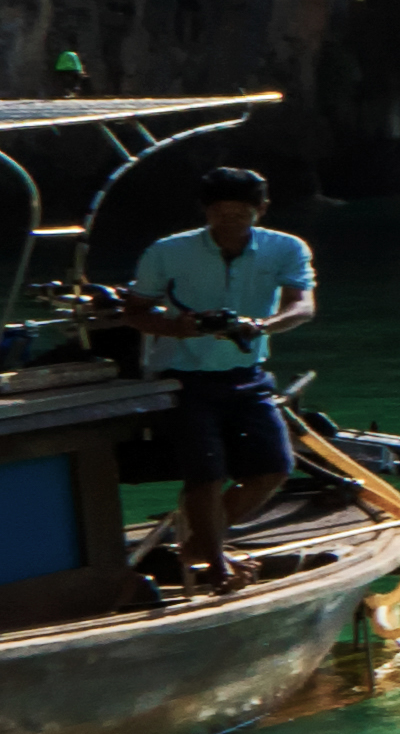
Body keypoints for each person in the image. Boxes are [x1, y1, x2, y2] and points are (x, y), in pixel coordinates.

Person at [119, 163, 318, 590]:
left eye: (240, 213)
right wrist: (180, 326)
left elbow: (303, 305)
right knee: (206, 473)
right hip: (183, 378)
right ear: (205, 211)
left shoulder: (285, 248)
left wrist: (263, 325)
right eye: (221, 213)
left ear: (261, 209)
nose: (230, 221)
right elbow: (134, 310)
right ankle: (214, 561)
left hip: (247, 374)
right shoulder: (168, 251)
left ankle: (198, 546)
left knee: (275, 467)